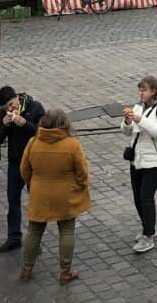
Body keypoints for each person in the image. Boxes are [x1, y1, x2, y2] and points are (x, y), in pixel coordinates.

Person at [19, 109, 91, 284]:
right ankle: (65, 272)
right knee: (66, 231)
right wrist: (82, 185)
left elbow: (24, 170)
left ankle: (26, 269)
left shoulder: (33, 142)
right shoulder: (72, 144)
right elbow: (82, 172)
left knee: (34, 231)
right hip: (65, 195)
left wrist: (32, 185)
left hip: (39, 195)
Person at [121, 75, 157, 254]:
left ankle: (148, 235)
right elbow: (127, 132)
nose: (140, 93)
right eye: (139, 89)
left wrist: (138, 119)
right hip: (138, 159)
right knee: (137, 197)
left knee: (146, 196)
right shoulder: (138, 107)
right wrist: (128, 121)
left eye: (144, 90)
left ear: (153, 91)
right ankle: (147, 227)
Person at [0, 86, 45, 253]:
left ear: (17, 98)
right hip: (15, 162)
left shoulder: (35, 107)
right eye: (6, 108)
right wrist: (4, 125)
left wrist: (26, 124)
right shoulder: (4, 114)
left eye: (11, 104)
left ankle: (34, 241)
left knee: (35, 202)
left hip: (34, 162)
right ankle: (14, 238)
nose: (10, 109)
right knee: (13, 199)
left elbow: (44, 134)